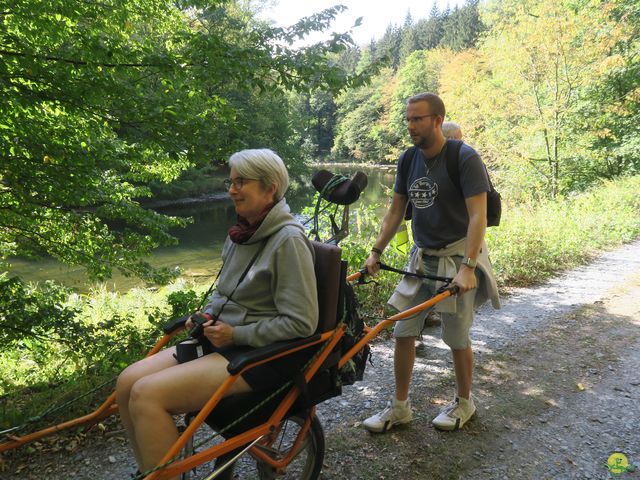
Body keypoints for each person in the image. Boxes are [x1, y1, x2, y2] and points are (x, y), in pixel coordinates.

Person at [115, 148, 319, 477]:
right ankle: (152, 470)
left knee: (146, 394)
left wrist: (236, 333)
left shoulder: (288, 242)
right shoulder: (242, 233)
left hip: (260, 354)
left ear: (270, 188)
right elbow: (227, 294)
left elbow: (302, 322)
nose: (231, 190)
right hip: (224, 341)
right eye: (231, 182)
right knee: (127, 382)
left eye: (241, 182)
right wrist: (207, 315)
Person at [362, 93, 500, 433]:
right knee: (403, 329)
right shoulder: (409, 160)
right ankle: (400, 407)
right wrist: (376, 251)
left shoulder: (464, 158)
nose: (410, 126)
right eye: (408, 119)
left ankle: (465, 402)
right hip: (421, 257)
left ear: (437, 120)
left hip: (457, 256)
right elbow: (396, 210)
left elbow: (477, 216)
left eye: (417, 119)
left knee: (456, 337)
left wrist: (468, 266)